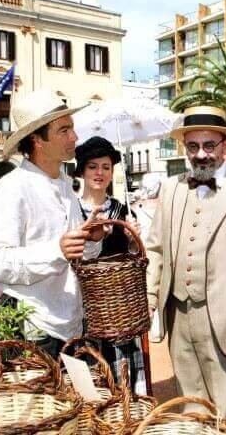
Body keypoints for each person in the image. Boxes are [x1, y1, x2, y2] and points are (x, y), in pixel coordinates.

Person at [145, 105, 226, 430]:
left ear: (225, 145)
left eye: (209, 146)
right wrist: (149, 296)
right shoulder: (172, 188)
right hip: (178, 314)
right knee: (189, 408)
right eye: (192, 147)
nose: (201, 155)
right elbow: (156, 248)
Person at [0, 88, 108, 359]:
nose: (74, 137)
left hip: (69, 326)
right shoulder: (11, 189)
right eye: (64, 130)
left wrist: (91, 240)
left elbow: (75, 255)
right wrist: (57, 251)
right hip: (30, 329)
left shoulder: (64, 185)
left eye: (72, 129)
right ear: (37, 140)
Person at [73, 135, 147, 395]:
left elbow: (135, 258)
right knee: (92, 384)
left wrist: (133, 240)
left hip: (119, 313)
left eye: (106, 167)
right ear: (82, 170)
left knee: (124, 383)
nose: (100, 173)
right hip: (83, 311)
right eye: (93, 166)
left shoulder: (122, 211)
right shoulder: (72, 210)